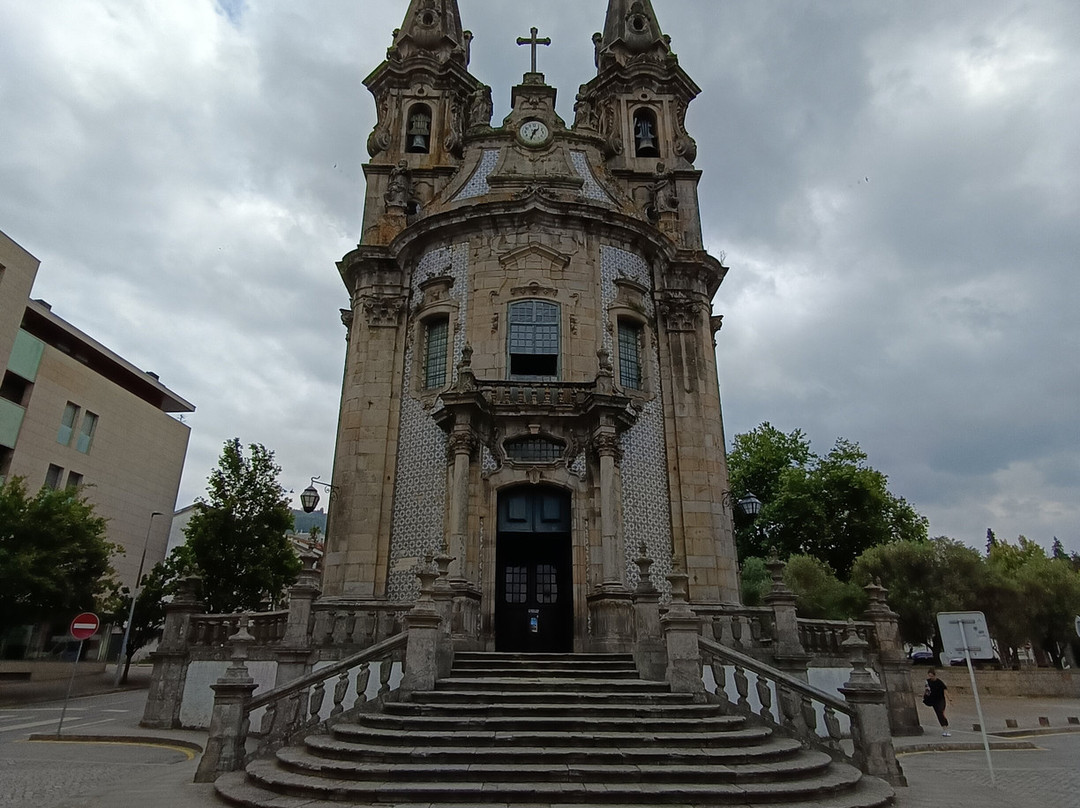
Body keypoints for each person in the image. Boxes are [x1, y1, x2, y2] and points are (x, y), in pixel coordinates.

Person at [924, 669, 950, 736]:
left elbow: (945, 690)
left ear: (934, 675)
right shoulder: (927, 681)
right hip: (933, 700)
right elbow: (927, 690)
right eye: (929, 676)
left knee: (941, 711)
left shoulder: (939, 682)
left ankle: (946, 726)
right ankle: (944, 728)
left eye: (932, 676)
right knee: (938, 714)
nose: (930, 677)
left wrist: (949, 698)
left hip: (941, 699)